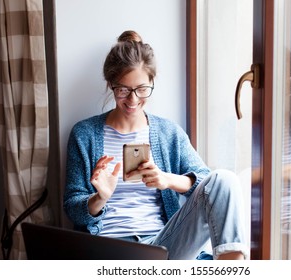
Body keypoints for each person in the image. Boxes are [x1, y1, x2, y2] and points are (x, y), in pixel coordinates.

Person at [63, 30, 248, 260]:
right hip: (109, 250)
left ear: (152, 81)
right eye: (124, 90)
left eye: (142, 89)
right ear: (111, 84)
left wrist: (165, 179)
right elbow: (72, 207)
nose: (133, 100)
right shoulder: (84, 134)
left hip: (163, 245)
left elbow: (207, 185)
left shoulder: (168, 132)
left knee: (225, 180)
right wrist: (100, 197)